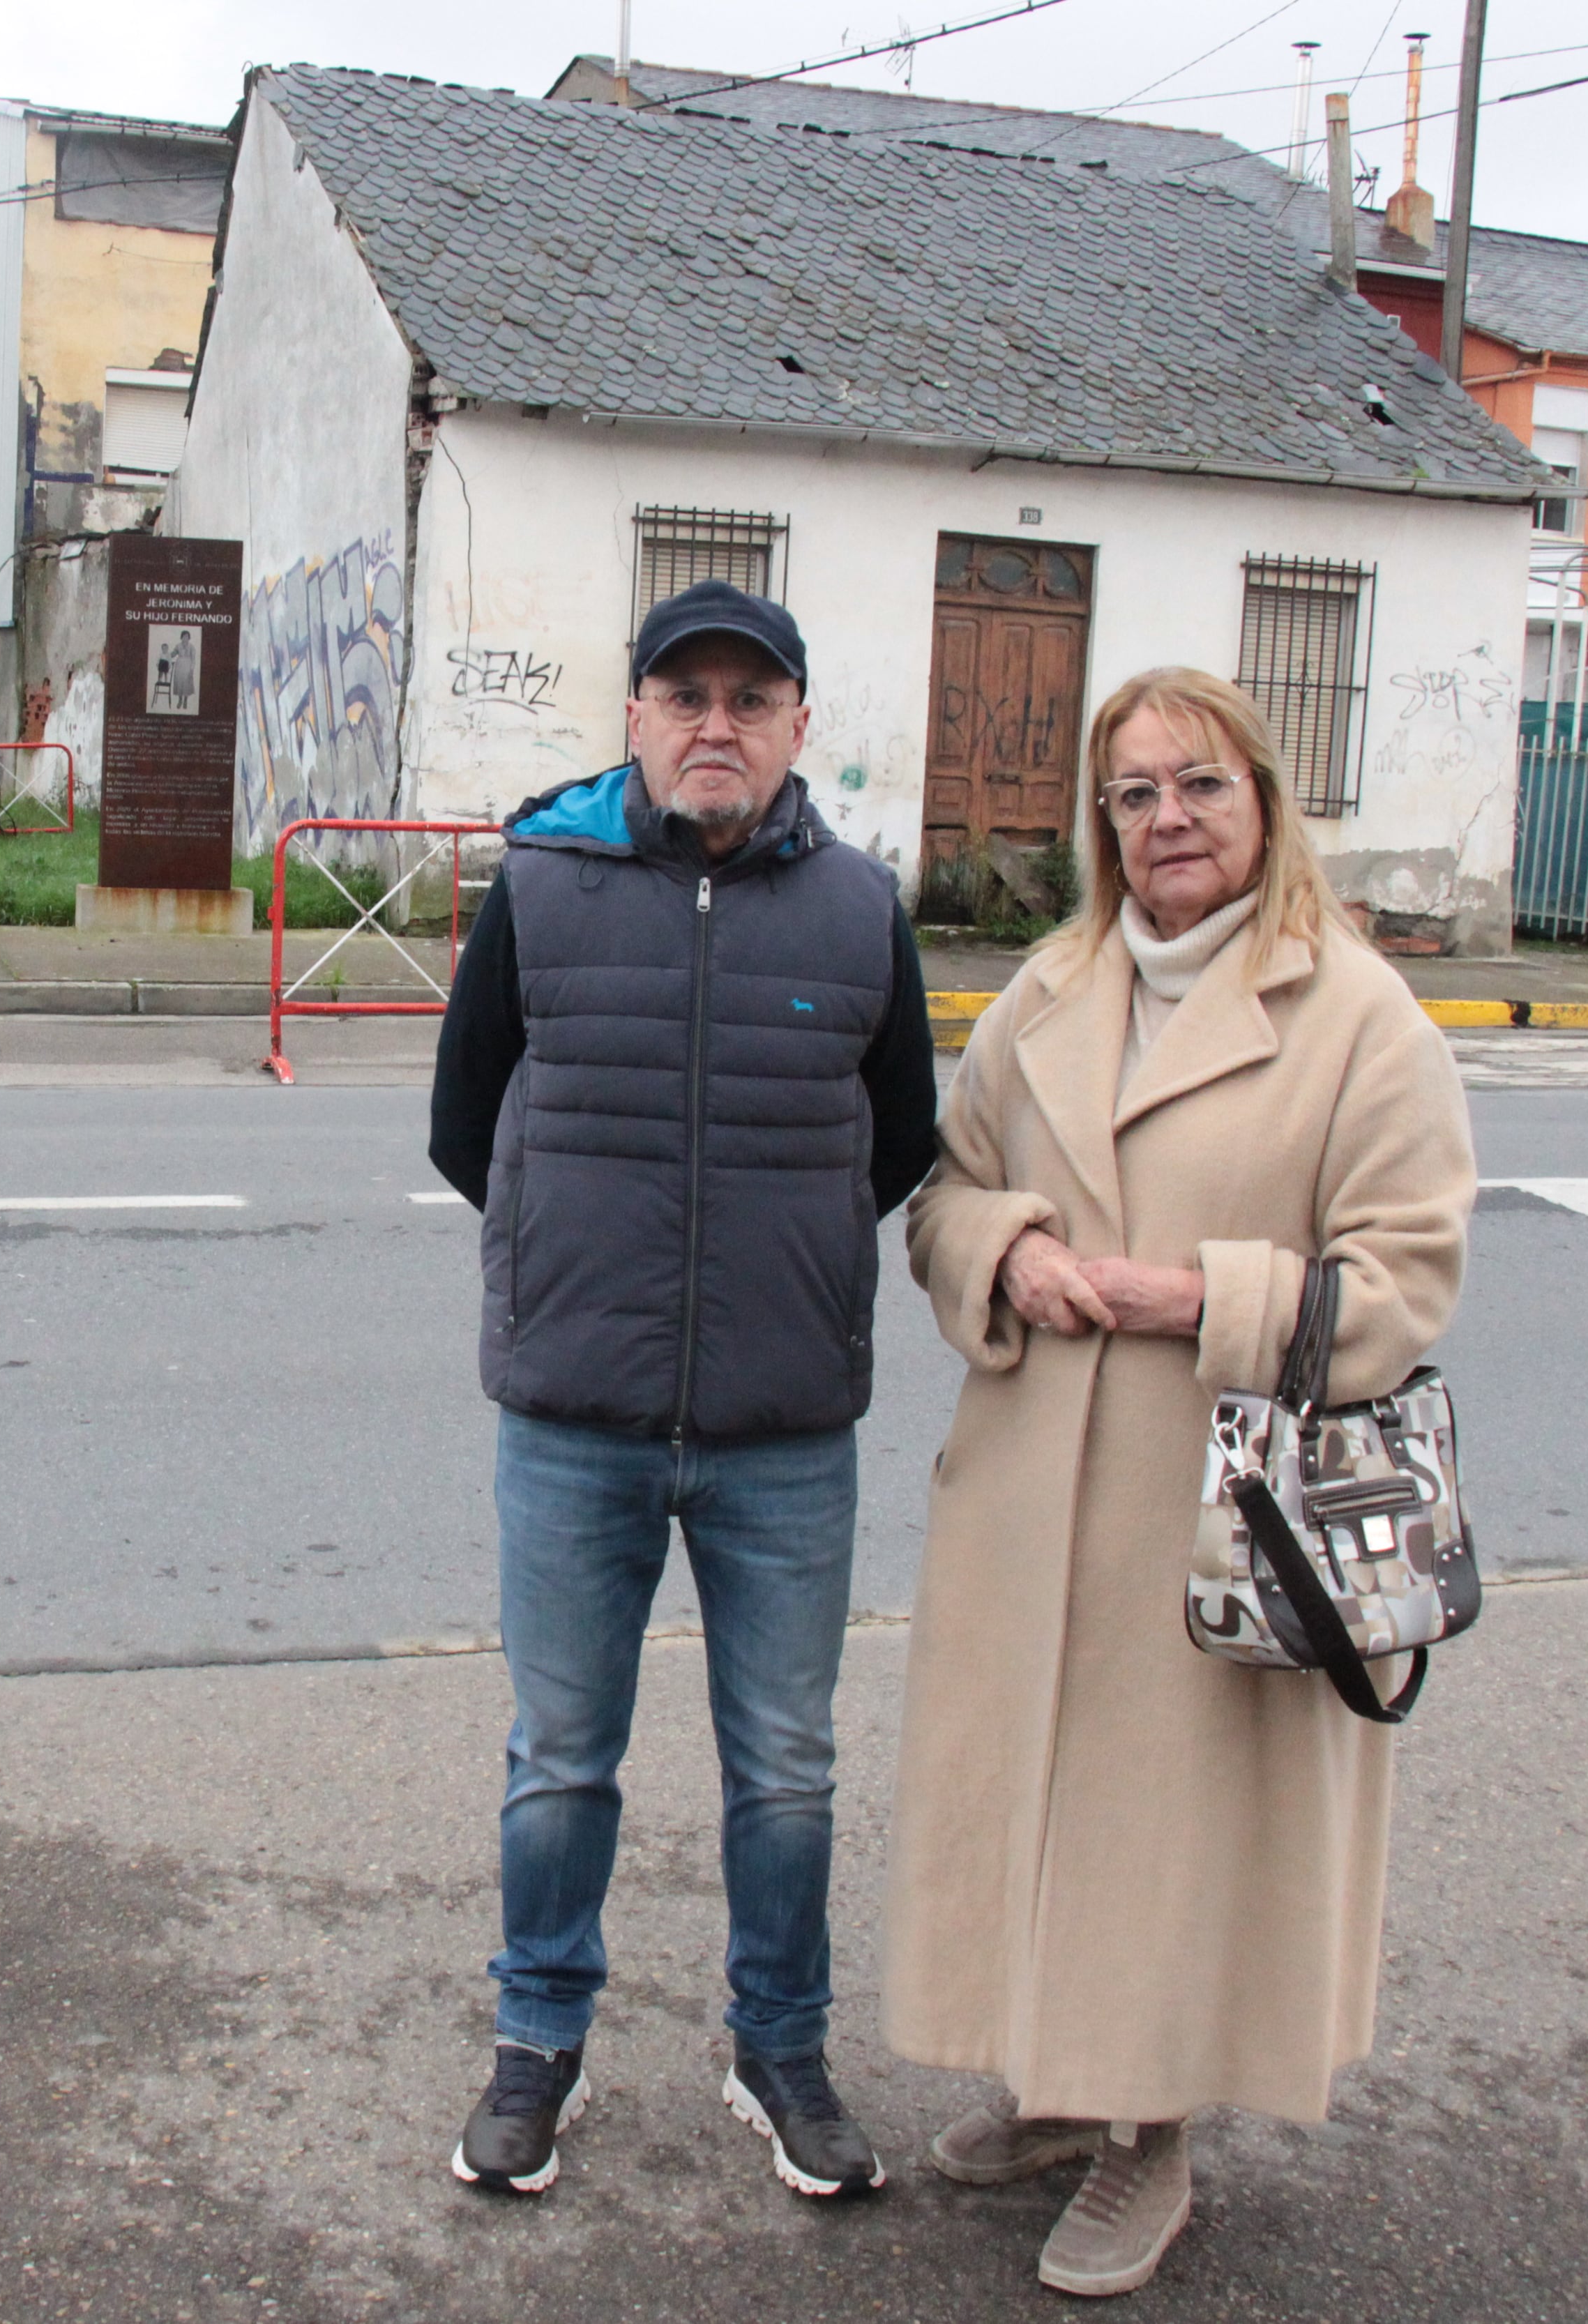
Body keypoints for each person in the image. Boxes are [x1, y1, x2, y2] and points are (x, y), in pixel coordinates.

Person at [881, 667, 1476, 2298]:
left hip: (1223, 1511)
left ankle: (1151, 2140)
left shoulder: (1354, 1015)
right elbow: (944, 1196)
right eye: (1134, 794)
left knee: (1168, 1835)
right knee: (1045, 1803)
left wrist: (1186, 1296)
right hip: (1030, 1494)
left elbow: (1402, 1280)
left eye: (1198, 786)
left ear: (1264, 800)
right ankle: (1065, 2086)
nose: (1167, 821)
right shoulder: (1050, 990)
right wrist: (1008, 1255)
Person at [428, 580, 939, 2201]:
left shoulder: (861, 911)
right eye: (683, 694)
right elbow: (467, 1123)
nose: (715, 722)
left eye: (750, 697)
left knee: (787, 1764)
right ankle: (537, 2046)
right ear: (635, 720)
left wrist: (759, 1272)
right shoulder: (544, 885)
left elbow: (898, 1138)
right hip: (576, 1416)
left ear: (799, 728)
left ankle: (779, 2052)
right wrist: (588, 1269)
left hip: (781, 1432)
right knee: (561, 1756)